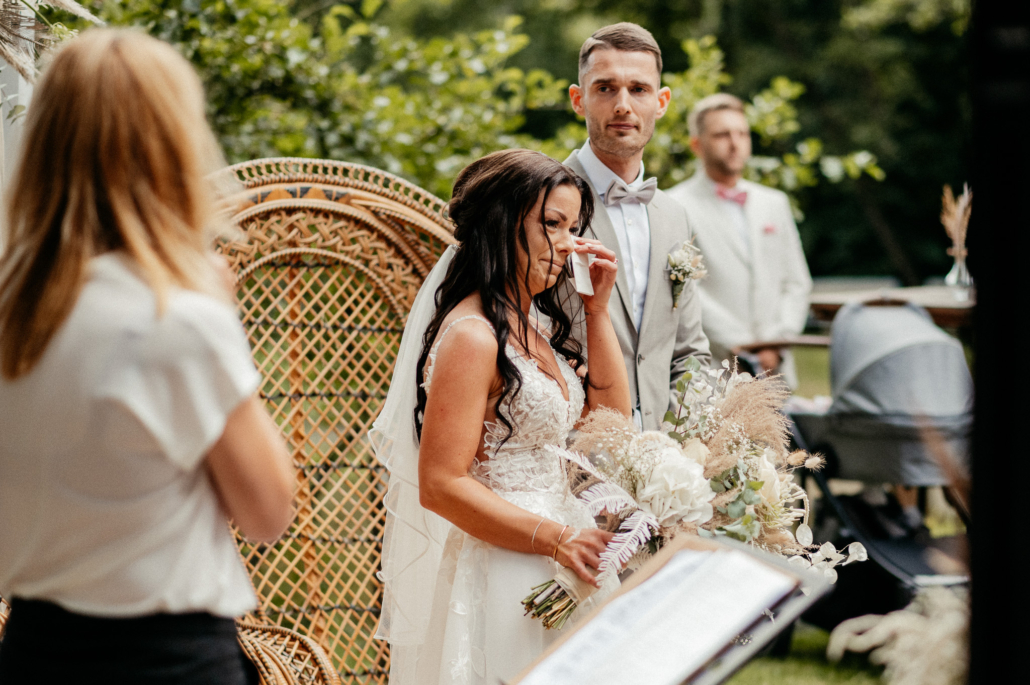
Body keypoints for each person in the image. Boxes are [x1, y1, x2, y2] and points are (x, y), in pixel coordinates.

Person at [0, 30, 295, 684]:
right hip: (166, 660)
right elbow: (269, 512)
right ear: (172, 147)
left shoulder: (11, 308)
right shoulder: (177, 321)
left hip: (31, 650)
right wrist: (221, 318)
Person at [370, 149, 631, 685]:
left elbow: (612, 420)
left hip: (565, 551)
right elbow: (440, 484)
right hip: (506, 562)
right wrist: (554, 538)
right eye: (551, 224)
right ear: (502, 224)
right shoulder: (472, 336)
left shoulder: (532, 326)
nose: (567, 244)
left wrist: (597, 310)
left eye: (574, 226)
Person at [561, 22, 712, 431]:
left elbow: (689, 351)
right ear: (579, 99)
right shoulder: (539, 200)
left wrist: (686, 444)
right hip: (568, 450)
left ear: (661, 102)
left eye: (639, 90)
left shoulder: (674, 215)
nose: (623, 105)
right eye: (605, 88)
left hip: (663, 462)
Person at [666, 93, 813, 386]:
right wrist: (743, 346)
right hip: (712, 373)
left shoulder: (775, 203)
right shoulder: (674, 206)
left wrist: (777, 342)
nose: (735, 143)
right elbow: (684, 288)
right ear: (697, 144)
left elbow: (797, 282)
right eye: (722, 134)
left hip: (777, 373)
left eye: (742, 133)